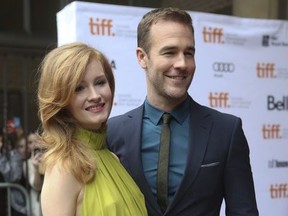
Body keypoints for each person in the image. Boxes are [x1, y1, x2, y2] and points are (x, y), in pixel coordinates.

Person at [106, 7, 259, 216]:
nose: (182, 64)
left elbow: (244, 211)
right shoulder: (111, 133)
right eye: (169, 52)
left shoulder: (226, 130)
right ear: (142, 57)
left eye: (189, 53)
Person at [37, 42, 147, 216]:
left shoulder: (112, 158)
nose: (95, 96)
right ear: (61, 99)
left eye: (100, 82)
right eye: (79, 88)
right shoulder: (63, 167)